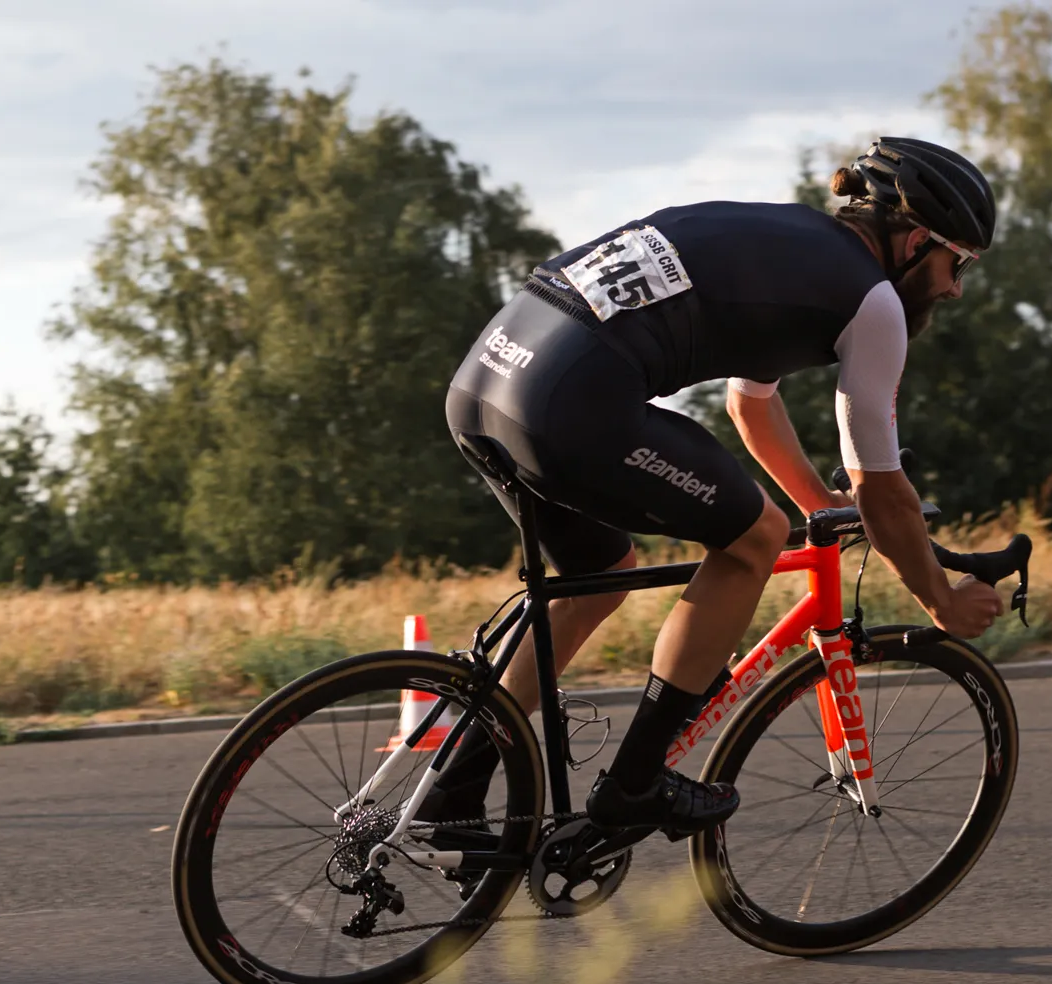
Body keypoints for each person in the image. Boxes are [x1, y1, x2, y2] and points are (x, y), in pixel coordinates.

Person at [431, 137, 1007, 844]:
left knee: (600, 578)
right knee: (754, 540)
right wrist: (940, 599)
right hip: (569, 399)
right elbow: (883, 490)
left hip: (485, 380)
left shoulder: (790, 244)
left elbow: (751, 406)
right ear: (919, 239)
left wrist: (822, 511)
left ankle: (452, 789)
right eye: (959, 264)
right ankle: (635, 783)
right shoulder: (875, 302)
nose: (954, 288)